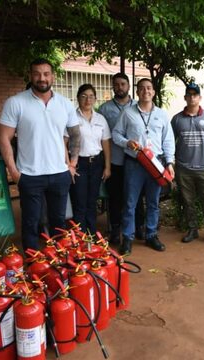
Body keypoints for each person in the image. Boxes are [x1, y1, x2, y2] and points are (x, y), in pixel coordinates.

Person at [0, 58, 81, 251]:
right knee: (30, 222)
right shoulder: (16, 103)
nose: (41, 78)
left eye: (46, 74)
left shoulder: (64, 104)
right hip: (29, 174)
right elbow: (4, 138)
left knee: (59, 221)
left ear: (53, 76)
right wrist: (13, 170)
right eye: (37, 74)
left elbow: (76, 135)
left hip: (59, 173)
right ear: (31, 76)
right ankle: (34, 264)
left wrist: (72, 164)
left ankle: (59, 261)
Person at [112, 78, 175, 256]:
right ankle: (128, 238)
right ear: (137, 92)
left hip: (156, 163)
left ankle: (151, 234)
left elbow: (168, 140)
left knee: (154, 202)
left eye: (149, 88)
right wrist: (126, 142)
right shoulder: (127, 112)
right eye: (142, 88)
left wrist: (169, 163)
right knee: (130, 202)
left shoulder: (162, 114)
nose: (145, 91)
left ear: (154, 92)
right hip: (135, 163)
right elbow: (116, 134)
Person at [171, 83, 204, 248]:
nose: (192, 97)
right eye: (189, 94)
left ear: (200, 98)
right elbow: (169, 142)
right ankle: (192, 229)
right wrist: (170, 164)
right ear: (185, 97)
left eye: (195, 95)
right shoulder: (177, 119)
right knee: (188, 201)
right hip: (183, 169)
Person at [98, 73, 145, 244]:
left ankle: (139, 227)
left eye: (123, 84)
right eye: (116, 84)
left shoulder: (139, 106)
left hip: (136, 160)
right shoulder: (104, 109)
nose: (120, 87)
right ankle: (115, 230)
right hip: (115, 160)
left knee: (137, 197)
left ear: (129, 86)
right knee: (116, 197)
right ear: (113, 87)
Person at [67, 84, 111, 234]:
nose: (87, 100)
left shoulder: (100, 119)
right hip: (79, 163)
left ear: (95, 99)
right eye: (84, 96)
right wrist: (69, 165)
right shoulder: (72, 117)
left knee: (92, 201)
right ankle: (80, 237)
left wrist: (107, 166)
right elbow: (64, 141)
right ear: (78, 98)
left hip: (97, 163)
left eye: (91, 96)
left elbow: (105, 143)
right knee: (79, 201)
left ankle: (91, 234)